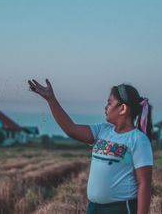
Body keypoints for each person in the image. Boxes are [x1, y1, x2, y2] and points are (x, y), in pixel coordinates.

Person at [28, 79, 153, 214]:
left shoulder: (138, 140)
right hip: (94, 208)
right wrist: (51, 99)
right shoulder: (102, 130)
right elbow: (71, 129)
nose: (106, 107)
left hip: (120, 209)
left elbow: (144, 185)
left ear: (122, 108)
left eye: (109, 103)